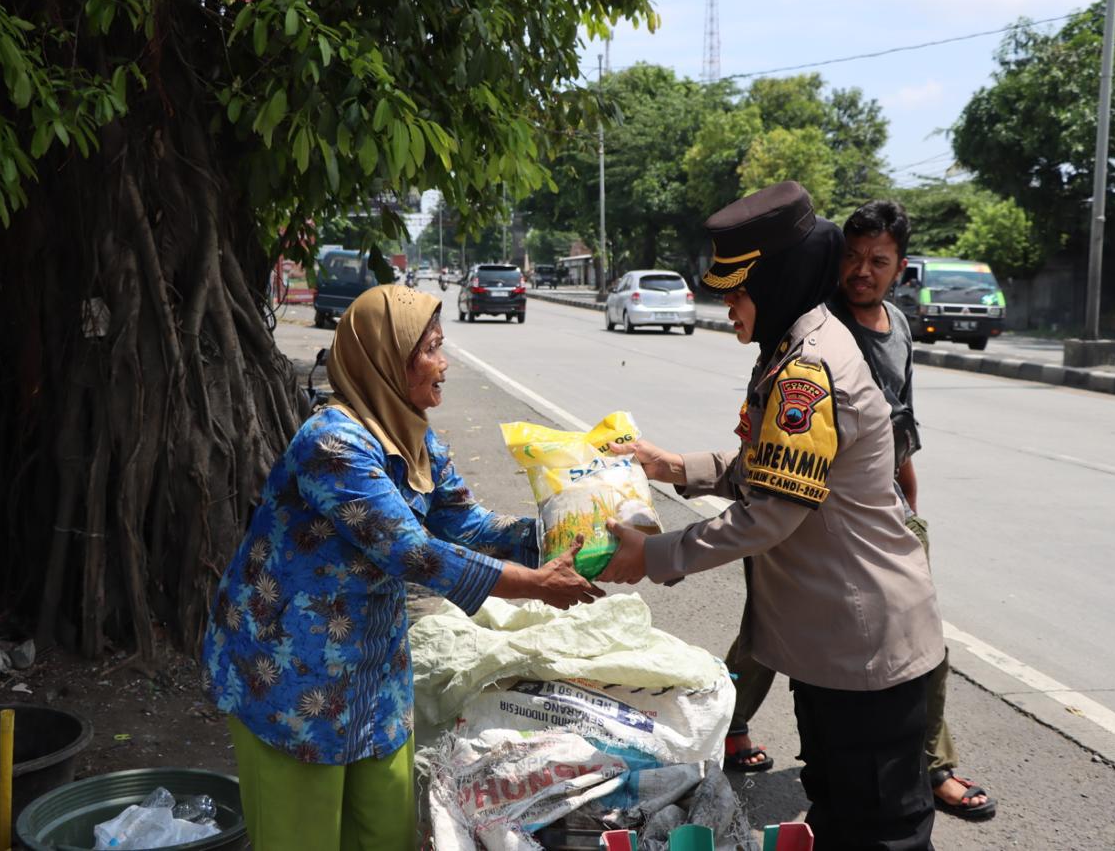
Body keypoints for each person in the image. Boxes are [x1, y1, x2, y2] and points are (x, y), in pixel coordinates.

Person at [602, 181, 944, 850]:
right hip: (835, 647)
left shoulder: (807, 370)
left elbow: (773, 512)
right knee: (843, 816)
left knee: (885, 832)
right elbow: (772, 472)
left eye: (737, 291)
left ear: (777, 278)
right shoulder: (795, 347)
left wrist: (654, 555)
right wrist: (671, 464)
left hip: (863, 649)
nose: (726, 306)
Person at [201, 285, 602, 851]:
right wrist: (534, 587)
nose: (444, 363)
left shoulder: (410, 434)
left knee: (386, 833)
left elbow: (465, 523)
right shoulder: (333, 442)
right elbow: (411, 552)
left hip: (370, 672)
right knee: (303, 837)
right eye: (432, 349)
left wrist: (571, 540)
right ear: (387, 359)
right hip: (291, 677)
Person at [836, 199, 997, 821]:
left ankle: (933, 768)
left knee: (924, 639)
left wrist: (909, 495)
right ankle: (729, 727)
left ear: (899, 268)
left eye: (877, 261)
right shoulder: (820, 328)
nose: (861, 271)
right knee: (766, 638)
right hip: (823, 513)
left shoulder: (898, 326)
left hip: (888, 511)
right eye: (852, 257)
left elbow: (901, 418)